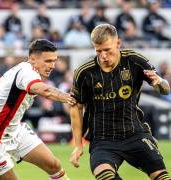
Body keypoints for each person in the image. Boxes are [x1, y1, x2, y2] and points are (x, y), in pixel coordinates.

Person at [70, 24, 171, 180]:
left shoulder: (135, 61)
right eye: (98, 51)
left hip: (135, 134)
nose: (103, 56)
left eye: (107, 50)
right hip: (102, 139)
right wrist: (78, 145)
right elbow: (76, 107)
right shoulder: (85, 72)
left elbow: (165, 89)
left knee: (162, 177)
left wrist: (159, 82)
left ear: (118, 43)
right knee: (105, 176)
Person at [0, 39, 76, 180]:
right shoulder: (27, 72)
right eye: (48, 61)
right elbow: (45, 91)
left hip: (14, 129)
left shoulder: (22, 69)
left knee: (54, 165)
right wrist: (70, 97)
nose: (52, 65)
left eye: (54, 61)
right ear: (32, 59)